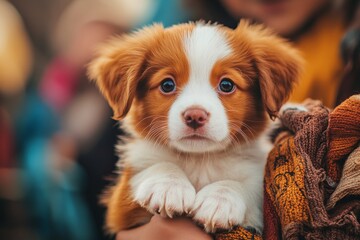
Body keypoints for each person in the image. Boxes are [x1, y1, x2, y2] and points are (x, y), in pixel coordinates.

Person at [115, 0, 360, 239]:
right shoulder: (168, 29)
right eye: (168, 85)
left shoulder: (343, 56)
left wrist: (233, 192)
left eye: (227, 84)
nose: (195, 111)